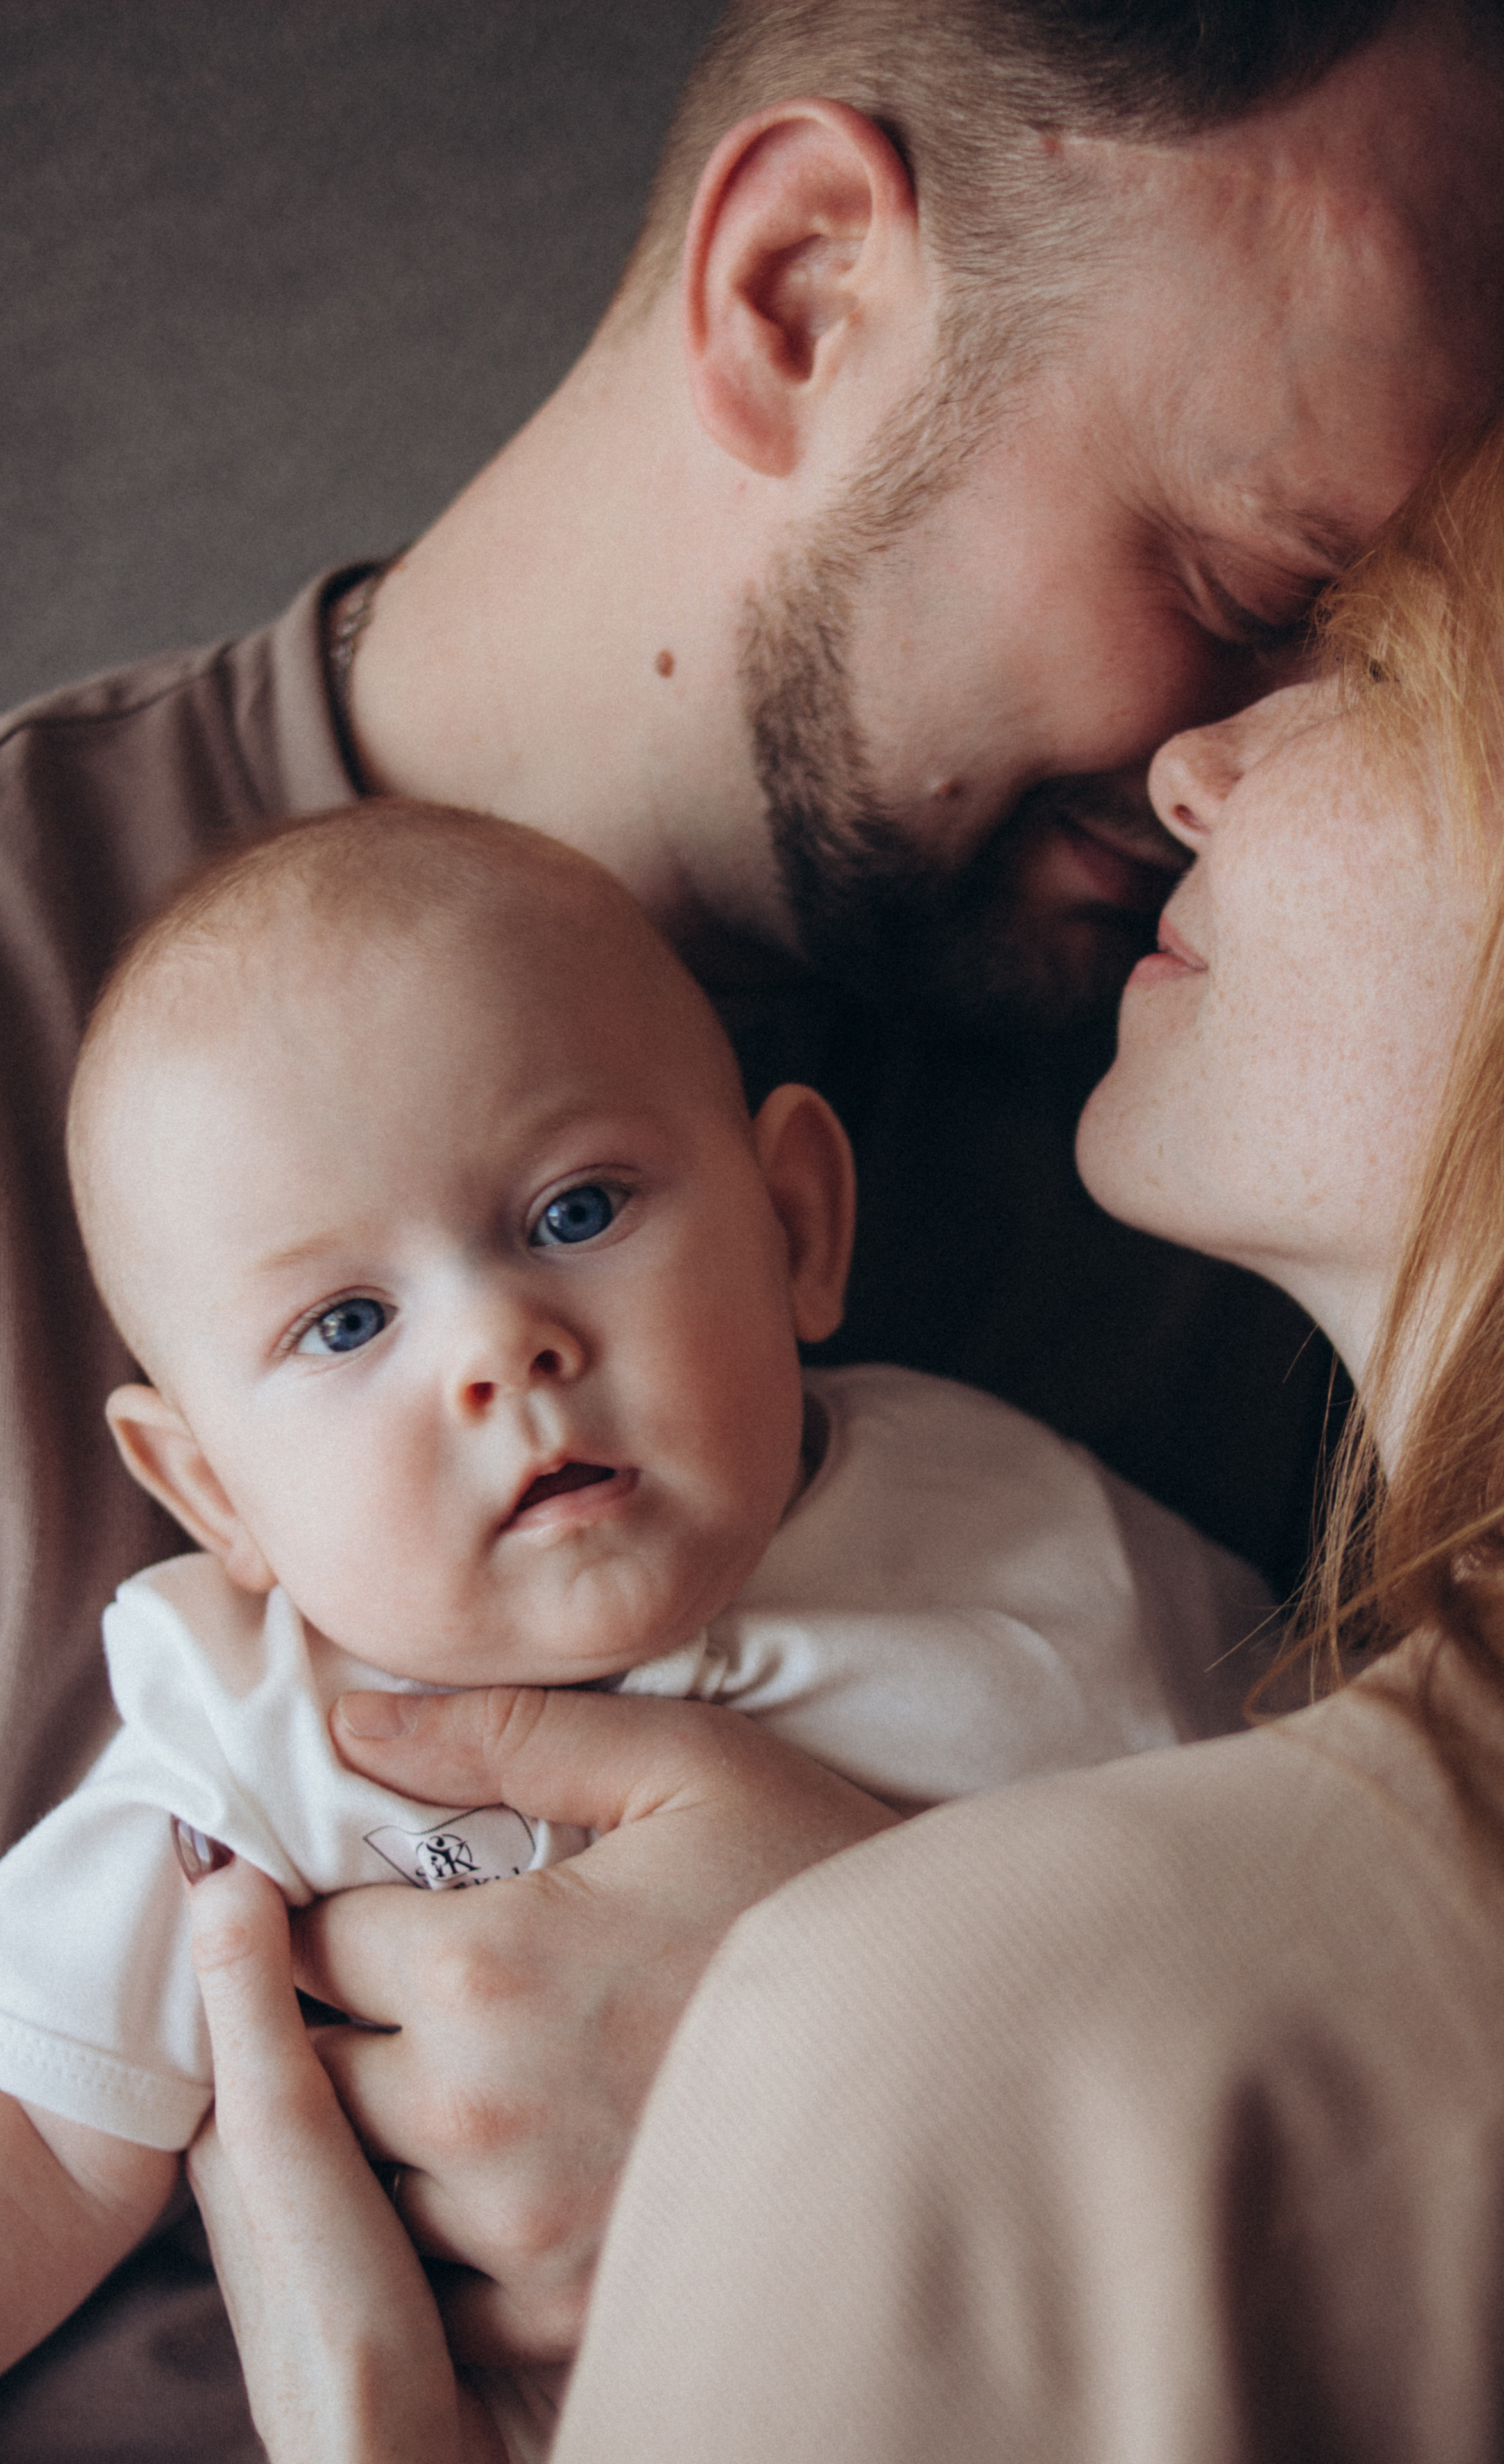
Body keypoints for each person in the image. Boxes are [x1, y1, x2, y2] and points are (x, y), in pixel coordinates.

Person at [0, 1, 1504, 2445]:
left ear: (800, 1221)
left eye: (1406, 659)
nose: (1236, 763)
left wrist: (936, 2107)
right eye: (1256, 576)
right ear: (796, 290)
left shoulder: (1312, 1125)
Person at [0, 800, 1266, 2442]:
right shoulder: (251, 1738)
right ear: (212, 1493)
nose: (498, 1346)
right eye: (347, 1321)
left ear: (795, 1225)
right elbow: (39, 2135)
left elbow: (1314, 1876)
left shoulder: (1021, 1529)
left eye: (574, 1215)